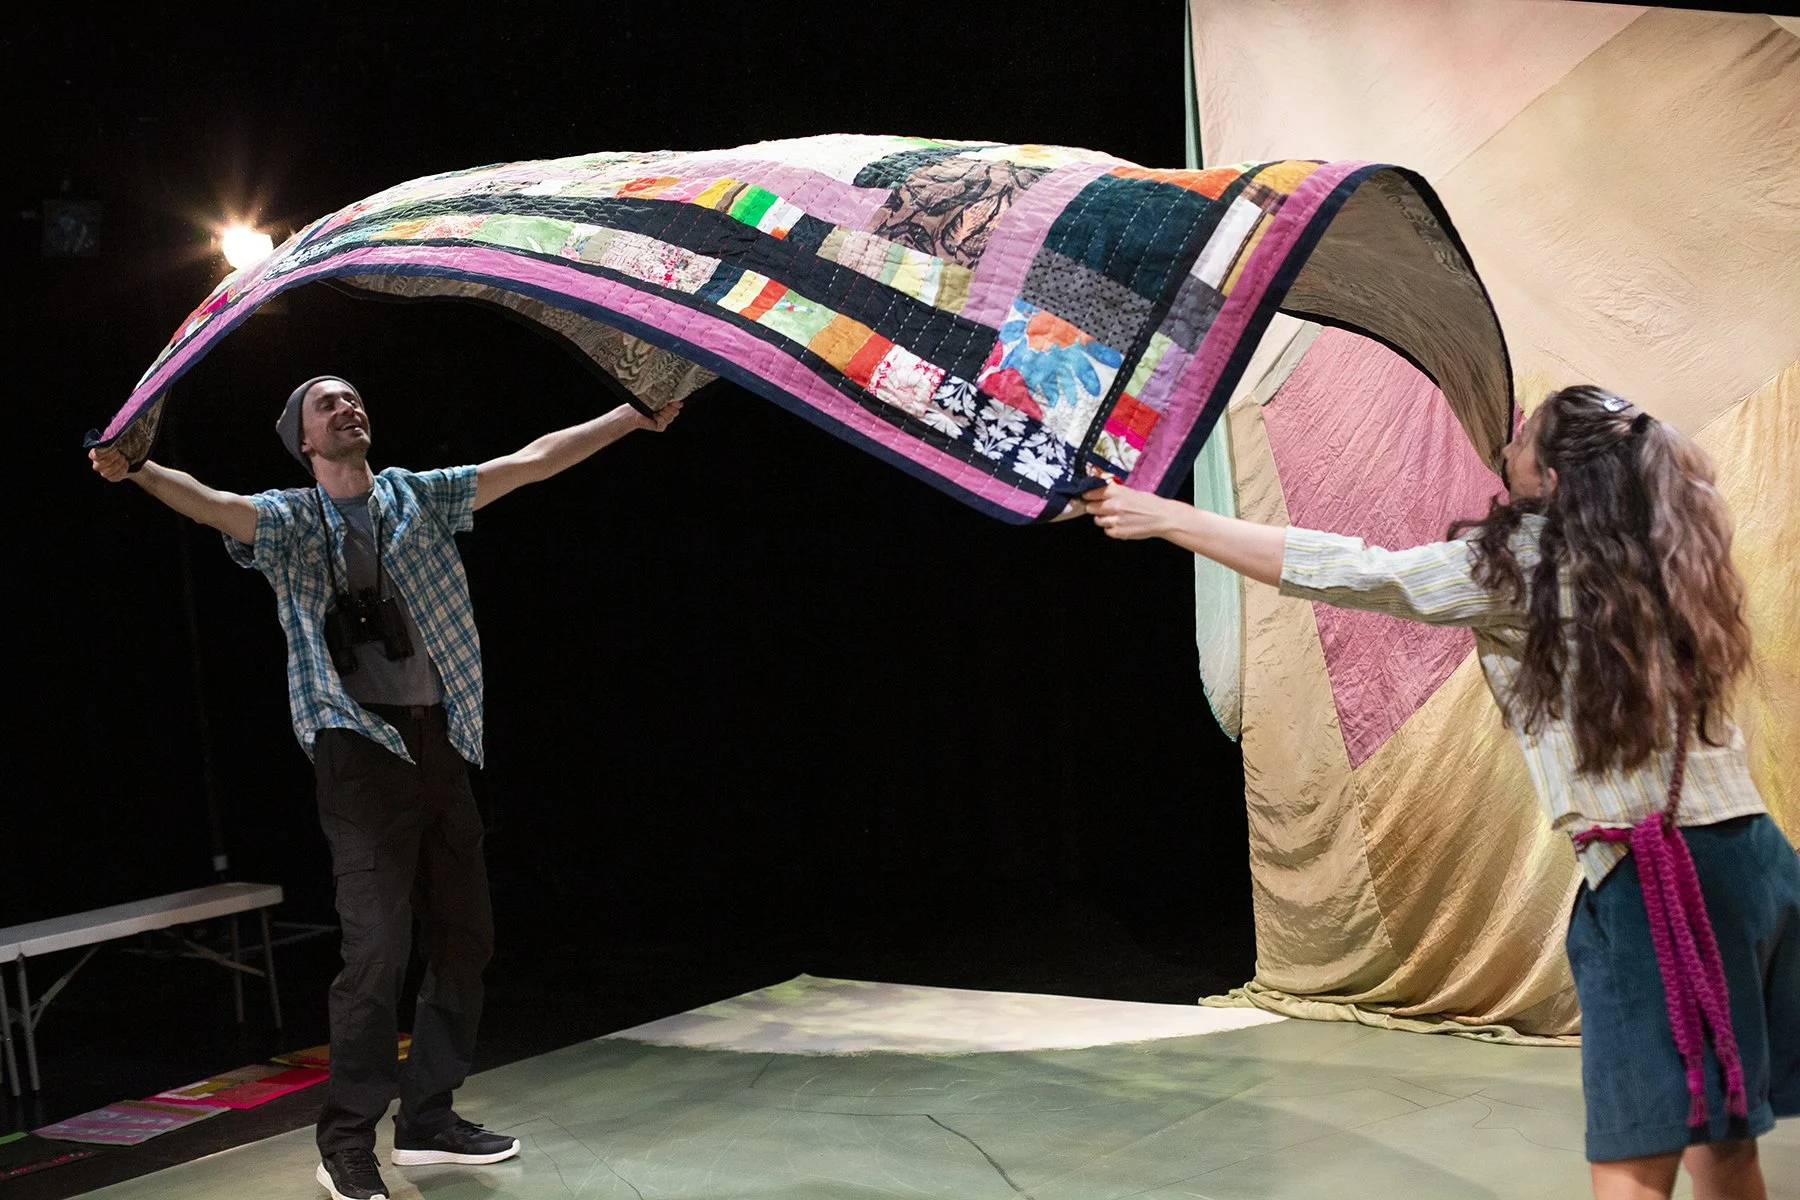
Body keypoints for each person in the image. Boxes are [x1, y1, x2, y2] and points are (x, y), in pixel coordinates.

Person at [1081, 384, 1797, 1200]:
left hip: (1661, 883)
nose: (1509, 440)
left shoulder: (1526, 566)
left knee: (1634, 1160)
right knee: (1722, 1137)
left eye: (1525, 434)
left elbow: (1353, 571)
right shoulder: (1667, 552)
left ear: (1554, 479)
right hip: (1752, 863)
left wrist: (1169, 517)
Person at [89, 377, 681, 1200]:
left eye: (356, 397)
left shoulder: (419, 497)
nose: (347, 408)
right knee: (376, 950)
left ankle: (427, 1118)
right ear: (302, 438)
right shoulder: (293, 518)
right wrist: (140, 469)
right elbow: (213, 504)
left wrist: (633, 415)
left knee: (466, 934)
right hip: (356, 742)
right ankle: (345, 1142)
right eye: (326, 404)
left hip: (440, 734)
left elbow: (535, 461)